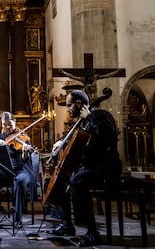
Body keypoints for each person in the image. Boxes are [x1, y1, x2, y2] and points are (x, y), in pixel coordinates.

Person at [48, 90, 122, 246]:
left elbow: (106, 135)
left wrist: (89, 117)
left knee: (77, 181)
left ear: (79, 104)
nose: (68, 109)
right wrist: (62, 142)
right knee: (63, 179)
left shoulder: (101, 116)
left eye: (69, 105)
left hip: (106, 165)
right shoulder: (83, 122)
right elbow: (78, 140)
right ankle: (67, 225)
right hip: (92, 165)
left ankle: (92, 232)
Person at [0, 111, 38, 228]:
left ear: (15, 122)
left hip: (21, 170)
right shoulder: (1, 137)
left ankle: (17, 219)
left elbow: (24, 159)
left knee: (20, 181)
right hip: (6, 171)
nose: (7, 127)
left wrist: (26, 152)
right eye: (4, 125)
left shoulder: (24, 137)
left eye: (10, 124)